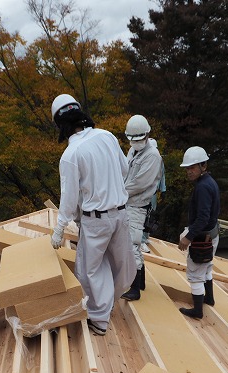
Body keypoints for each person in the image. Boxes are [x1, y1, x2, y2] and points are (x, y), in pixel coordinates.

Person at [49, 94, 135, 336]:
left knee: (90, 269)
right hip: (120, 215)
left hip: (96, 221)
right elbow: (124, 169)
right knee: (121, 264)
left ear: (61, 124)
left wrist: (59, 228)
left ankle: (99, 319)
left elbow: (69, 197)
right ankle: (108, 303)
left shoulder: (71, 154)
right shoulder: (106, 136)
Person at [121, 115, 164, 301]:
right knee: (133, 243)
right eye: (132, 139)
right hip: (128, 202)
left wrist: (118, 192)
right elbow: (125, 171)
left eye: (138, 139)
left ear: (147, 135)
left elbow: (139, 183)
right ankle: (142, 282)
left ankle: (135, 289)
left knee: (132, 244)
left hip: (137, 205)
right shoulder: (133, 151)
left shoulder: (153, 157)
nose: (135, 143)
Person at [177, 147, 220, 319]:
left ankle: (197, 311)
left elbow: (202, 218)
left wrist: (188, 237)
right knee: (207, 268)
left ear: (203, 165)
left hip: (203, 237)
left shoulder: (202, 187)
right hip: (212, 234)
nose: (189, 171)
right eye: (187, 168)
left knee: (195, 274)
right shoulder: (210, 182)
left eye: (192, 167)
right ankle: (208, 298)